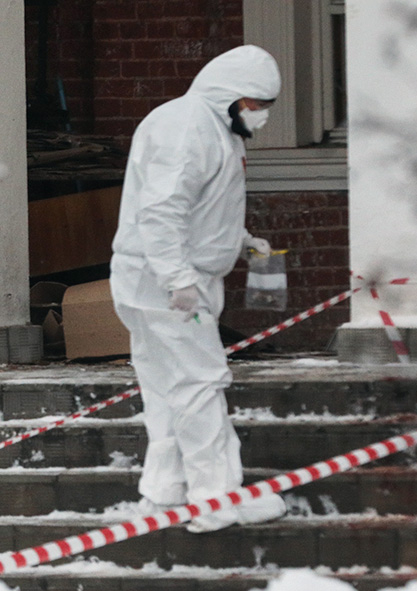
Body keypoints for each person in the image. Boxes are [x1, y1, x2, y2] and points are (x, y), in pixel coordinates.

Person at [109, 45, 288, 533]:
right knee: (201, 381)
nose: (260, 115)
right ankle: (216, 498)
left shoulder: (211, 127)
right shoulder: (189, 128)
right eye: (255, 104)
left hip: (159, 277)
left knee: (168, 387)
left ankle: (165, 493)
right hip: (167, 282)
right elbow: (162, 212)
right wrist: (179, 280)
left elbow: (197, 208)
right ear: (229, 97)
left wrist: (242, 241)